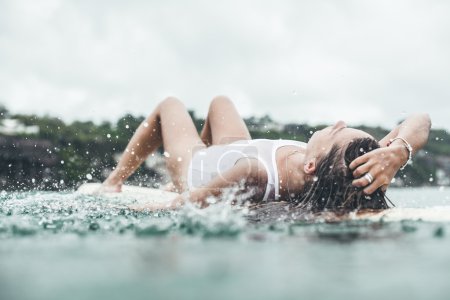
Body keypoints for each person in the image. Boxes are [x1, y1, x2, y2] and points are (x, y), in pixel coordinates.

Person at [100, 96, 431, 212]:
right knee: (220, 101)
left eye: (336, 131)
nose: (338, 123)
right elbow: (421, 120)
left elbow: (176, 208)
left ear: (312, 162)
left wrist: (136, 207)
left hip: (196, 164)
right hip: (233, 148)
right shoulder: (356, 168)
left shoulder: (252, 172)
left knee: (169, 105)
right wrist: (398, 153)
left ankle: (112, 182)